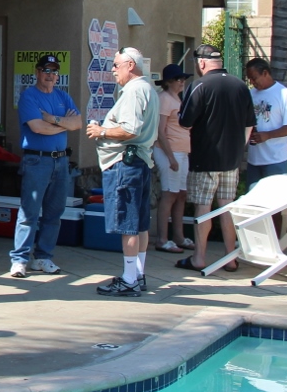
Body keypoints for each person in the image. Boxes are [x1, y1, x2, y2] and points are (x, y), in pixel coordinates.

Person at [176, 44, 256, 273]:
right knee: (226, 207)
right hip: (232, 160)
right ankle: (230, 258)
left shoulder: (199, 86)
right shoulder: (241, 86)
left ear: (201, 63)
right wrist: (238, 149)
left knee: (203, 207)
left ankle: (199, 258)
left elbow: (185, 121)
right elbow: (250, 124)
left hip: (204, 159)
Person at [87, 47, 160, 296]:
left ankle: (129, 280)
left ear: (130, 65)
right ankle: (137, 275)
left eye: (116, 65)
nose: (113, 70)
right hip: (139, 163)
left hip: (126, 165)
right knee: (139, 224)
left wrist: (102, 132)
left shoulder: (134, 91)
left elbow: (130, 130)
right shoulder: (147, 88)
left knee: (128, 224)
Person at [8, 53, 80, 278]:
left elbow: (78, 122)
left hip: (61, 160)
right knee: (29, 212)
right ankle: (19, 260)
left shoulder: (63, 96)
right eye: (46, 70)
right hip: (37, 160)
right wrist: (63, 124)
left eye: (54, 71)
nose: (50, 75)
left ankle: (43, 258)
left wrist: (53, 120)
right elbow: (37, 128)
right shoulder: (29, 96)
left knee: (54, 213)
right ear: (37, 72)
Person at [153, 64, 193, 253]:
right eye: (179, 79)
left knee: (181, 194)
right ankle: (162, 238)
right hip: (169, 151)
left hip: (183, 151)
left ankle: (178, 236)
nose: (182, 82)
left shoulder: (179, 99)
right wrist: (170, 157)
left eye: (184, 79)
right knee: (169, 193)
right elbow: (160, 131)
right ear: (169, 82)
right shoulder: (164, 99)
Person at [245, 58, 287, 188]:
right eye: (250, 79)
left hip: (275, 159)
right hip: (254, 159)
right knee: (252, 199)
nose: (252, 82)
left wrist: (268, 135)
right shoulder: (250, 94)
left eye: (254, 78)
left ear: (265, 73)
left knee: (275, 200)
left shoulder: (283, 94)